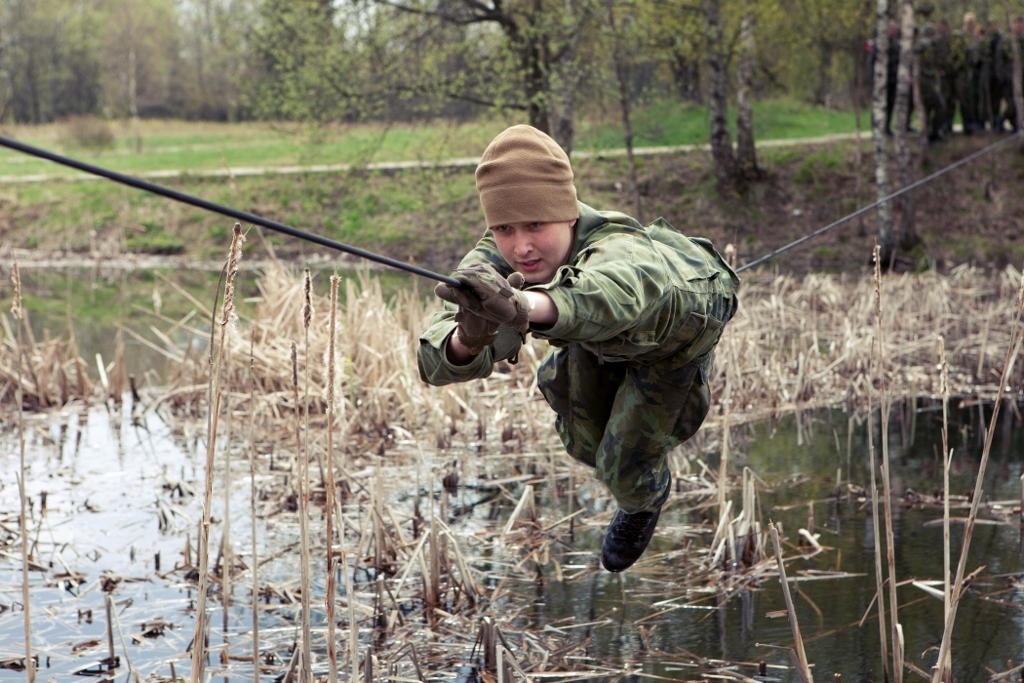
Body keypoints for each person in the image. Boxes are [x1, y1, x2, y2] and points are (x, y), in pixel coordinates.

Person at [417, 125, 739, 572]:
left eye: (535, 225)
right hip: (597, 339)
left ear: (568, 214)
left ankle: (644, 500)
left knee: (622, 465)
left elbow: (608, 294)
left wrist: (522, 305)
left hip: (673, 336)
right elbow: (433, 365)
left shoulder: (619, 248)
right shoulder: (495, 256)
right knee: (585, 442)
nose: (521, 246)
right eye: (504, 228)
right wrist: (467, 339)